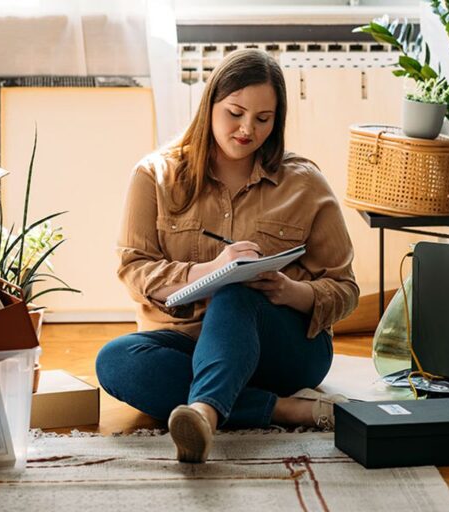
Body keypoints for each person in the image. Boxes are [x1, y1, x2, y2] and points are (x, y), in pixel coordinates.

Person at [96, 49, 359, 463]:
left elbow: (345, 288)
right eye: (235, 113)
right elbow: (134, 269)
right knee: (115, 362)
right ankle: (284, 410)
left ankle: (204, 412)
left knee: (236, 294)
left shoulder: (305, 183)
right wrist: (211, 270)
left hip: (282, 350)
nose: (247, 129)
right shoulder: (154, 176)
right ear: (210, 105)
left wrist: (291, 291)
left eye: (263, 119)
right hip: (186, 344)